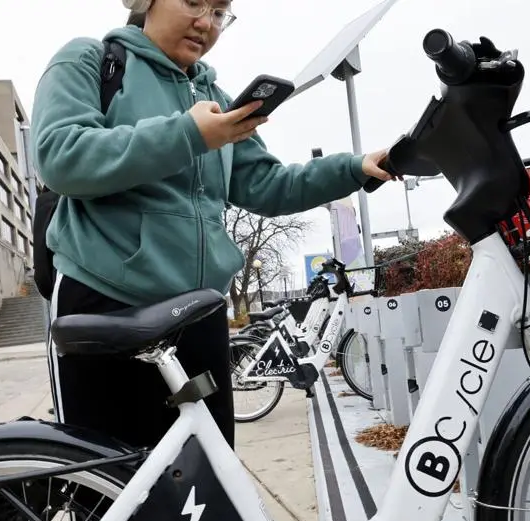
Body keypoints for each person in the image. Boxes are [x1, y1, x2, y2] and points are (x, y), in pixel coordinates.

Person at [31, 0, 394, 449]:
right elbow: (60, 157)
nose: (206, 22)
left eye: (220, 11)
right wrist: (189, 134)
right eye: (193, 2)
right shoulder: (91, 62)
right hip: (105, 301)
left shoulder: (215, 100)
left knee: (208, 474)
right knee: (106, 483)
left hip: (196, 311)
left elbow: (267, 184)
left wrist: (356, 167)